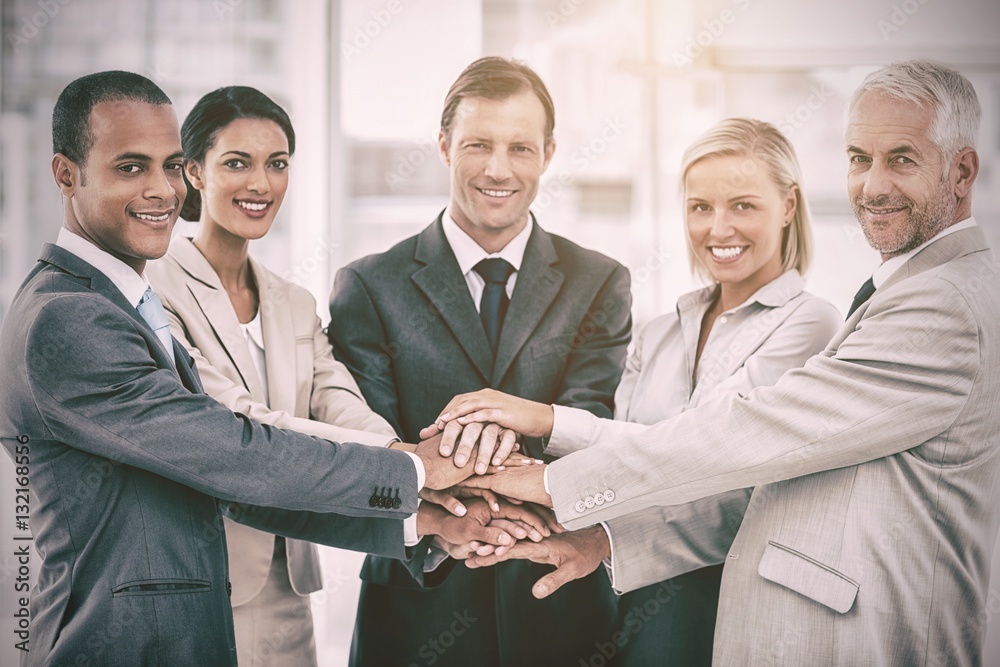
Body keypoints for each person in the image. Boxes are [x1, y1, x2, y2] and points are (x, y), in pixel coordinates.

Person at [433, 59, 999, 664]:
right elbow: (760, 483)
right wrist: (604, 538)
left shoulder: (943, 305)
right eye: (859, 159)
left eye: (902, 159)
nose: (873, 183)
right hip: (666, 598)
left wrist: (551, 470)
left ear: (962, 171)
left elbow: (747, 437)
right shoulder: (906, 291)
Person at [0, 71, 480, 667]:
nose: (161, 190)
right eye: (130, 167)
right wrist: (411, 471)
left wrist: (420, 517)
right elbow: (234, 451)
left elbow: (231, 475)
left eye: (169, 166)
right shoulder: (70, 319)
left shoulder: (123, 298)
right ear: (65, 174)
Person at [145, 86, 550, 667]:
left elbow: (340, 404)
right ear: (194, 173)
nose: (260, 183)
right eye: (237, 162)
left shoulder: (292, 302)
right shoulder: (158, 288)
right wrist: (413, 465)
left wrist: (426, 478)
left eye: (276, 164)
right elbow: (237, 421)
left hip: (288, 588)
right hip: (199, 583)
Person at [327, 57, 632, 666]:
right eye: (478, 145)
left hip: (561, 608)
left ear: (548, 153)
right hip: (416, 610)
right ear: (443, 146)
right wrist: (450, 519)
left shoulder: (600, 281)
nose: (499, 169)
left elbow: (585, 425)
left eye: (520, 147)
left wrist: (480, 488)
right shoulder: (369, 285)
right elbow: (376, 450)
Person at [559, 118, 838, 665]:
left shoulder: (812, 325)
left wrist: (547, 422)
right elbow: (616, 459)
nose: (718, 228)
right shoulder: (660, 330)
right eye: (700, 207)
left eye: (743, 205)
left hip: (721, 591)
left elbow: (714, 456)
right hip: (618, 582)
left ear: (788, 206)